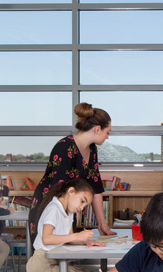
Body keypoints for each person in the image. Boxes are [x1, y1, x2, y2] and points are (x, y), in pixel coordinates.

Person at [28, 102, 115, 237]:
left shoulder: (92, 149)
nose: (107, 137)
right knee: (50, 255)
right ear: (97, 129)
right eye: (107, 132)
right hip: (49, 210)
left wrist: (102, 223)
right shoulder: (64, 147)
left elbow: (95, 187)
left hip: (68, 212)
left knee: (67, 253)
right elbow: (59, 189)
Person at [24, 178, 106, 272]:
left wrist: (86, 242)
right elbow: (47, 239)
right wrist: (77, 236)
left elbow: (69, 238)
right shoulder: (54, 209)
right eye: (82, 201)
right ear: (71, 192)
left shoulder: (68, 212)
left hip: (55, 264)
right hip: (42, 266)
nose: (82, 208)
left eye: (85, 206)